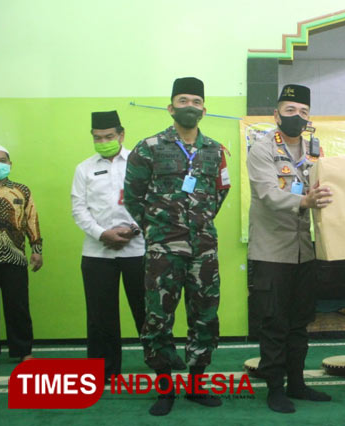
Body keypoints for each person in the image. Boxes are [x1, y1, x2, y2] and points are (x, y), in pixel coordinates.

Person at [124, 77, 231, 415]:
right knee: (158, 318)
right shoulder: (149, 147)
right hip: (163, 249)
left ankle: (197, 383)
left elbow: (220, 191)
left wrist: (197, 222)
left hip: (203, 248)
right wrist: (158, 229)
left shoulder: (215, 150)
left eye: (196, 101)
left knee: (205, 318)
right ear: (171, 108)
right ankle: (165, 387)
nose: (190, 106)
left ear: (204, 109)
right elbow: (132, 196)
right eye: (182, 100)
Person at [247, 84, 333, 413]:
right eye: (290, 110)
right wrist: (305, 200)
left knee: (300, 321)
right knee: (273, 321)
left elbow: (328, 185)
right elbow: (267, 194)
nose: (297, 116)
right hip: (272, 252)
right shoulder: (262, 147)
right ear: (276, 114)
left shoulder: (314, 148)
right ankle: (274, 388)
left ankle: (297, 383)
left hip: (304, 251)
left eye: (303, 112)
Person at [71, 110, 146, 381]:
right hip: (97, 252)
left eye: (109, 136)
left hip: (138, 248)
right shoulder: (85, 168)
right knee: (101, 316)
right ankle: (103, 371)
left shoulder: (140, 163)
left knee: (148, 309)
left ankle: (158, 359)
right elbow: (79, 209)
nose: (103, 141)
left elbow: (152, 201)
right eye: (97, 137)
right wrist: (102, 234)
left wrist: (133, 230)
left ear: (121, 134)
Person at [0, 145, 42, 362]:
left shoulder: (22, 190)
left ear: (10, 164)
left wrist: (37, 250)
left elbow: (31, 220)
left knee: (18, 306)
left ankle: (23, 351)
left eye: (2, 160)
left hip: (15, 257)